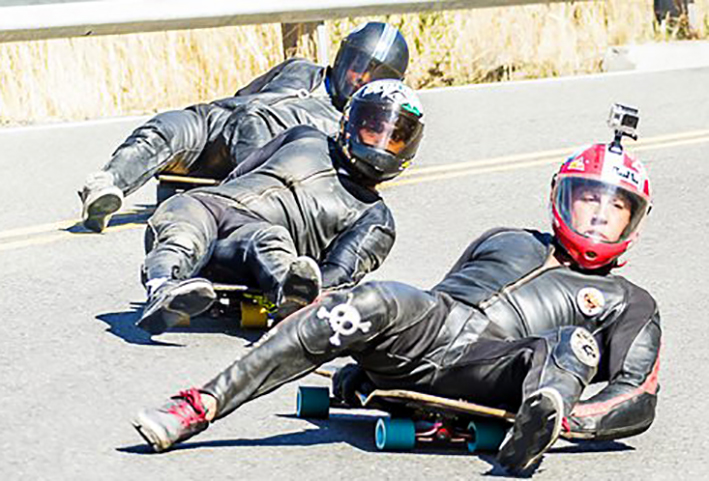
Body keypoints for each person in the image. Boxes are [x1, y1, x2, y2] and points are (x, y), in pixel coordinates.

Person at [131, 139, 659, 475]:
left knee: (574, 343)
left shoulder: (630, 302)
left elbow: (636, 396)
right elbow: (441, 294)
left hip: (505, 366)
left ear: (632, 222)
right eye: (588, 198)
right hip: (435, 327)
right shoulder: (506, 238)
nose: (597, 215)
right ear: (562, 199)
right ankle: (198, 406)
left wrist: (573, 421)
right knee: (380, 295)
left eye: (615, 206)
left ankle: (535, 429)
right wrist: (362, 358)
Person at [136, 79, 425, 336]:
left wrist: (317, 292)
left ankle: (292, 297)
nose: (380, 140)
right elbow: (240, 173)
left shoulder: (375, 218)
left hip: (251, 245)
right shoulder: (304, 136)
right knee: (185, 211)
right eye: (372, 127)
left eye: (395, 137)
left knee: (270, 238)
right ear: (350, 121)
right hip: (211, 207)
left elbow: (339, 273)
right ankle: (163, 288)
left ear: (409, 147)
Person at [78, 22, 409, 233]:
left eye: (374, 75)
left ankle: (221, 215)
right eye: (357, 66)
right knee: (166, 128)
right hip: (218, 122)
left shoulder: (350, 122)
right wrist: (224, 116)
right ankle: (106, 186)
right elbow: (244, 96)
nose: (360, 77)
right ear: (343, 57)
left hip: (260, 153)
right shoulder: (298, 67)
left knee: (254, 145)